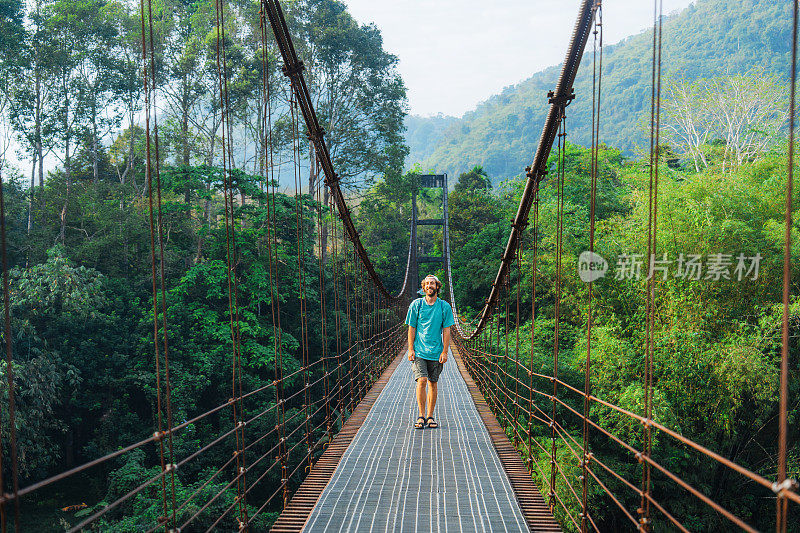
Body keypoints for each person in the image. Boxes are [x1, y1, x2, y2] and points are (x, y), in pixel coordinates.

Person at [405, 274, 455, 429]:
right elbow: (411, 327)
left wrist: (445, 352)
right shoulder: (416, 305)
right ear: (423, 287)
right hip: (419, 351)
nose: (429, 286)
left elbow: (447, 331)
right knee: (422, 380)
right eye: (426, 284)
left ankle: (430, 416)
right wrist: (411, 348)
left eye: (432, 283)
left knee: (433, 382)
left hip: (436, 351)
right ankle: (421, 416)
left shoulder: (444, 306)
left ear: (437, 286)